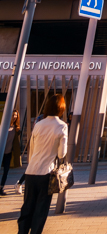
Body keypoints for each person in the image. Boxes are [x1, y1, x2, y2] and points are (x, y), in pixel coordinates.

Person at [17, 93, 67, 234]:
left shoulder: (38, 125)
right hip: (46, 173)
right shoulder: (62, 126)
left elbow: (32, 150)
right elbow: (61, 153)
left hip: (31, 172)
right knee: (41, 210)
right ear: (61, 108)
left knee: (27, 208)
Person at [1, 109, 20, 195]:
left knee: (6, 171)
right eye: (13, 115)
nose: (14, 117)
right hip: (1, 152)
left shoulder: (16, 129)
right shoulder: (3, 127)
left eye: (15, 115)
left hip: (8, 153)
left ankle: (1, 188)